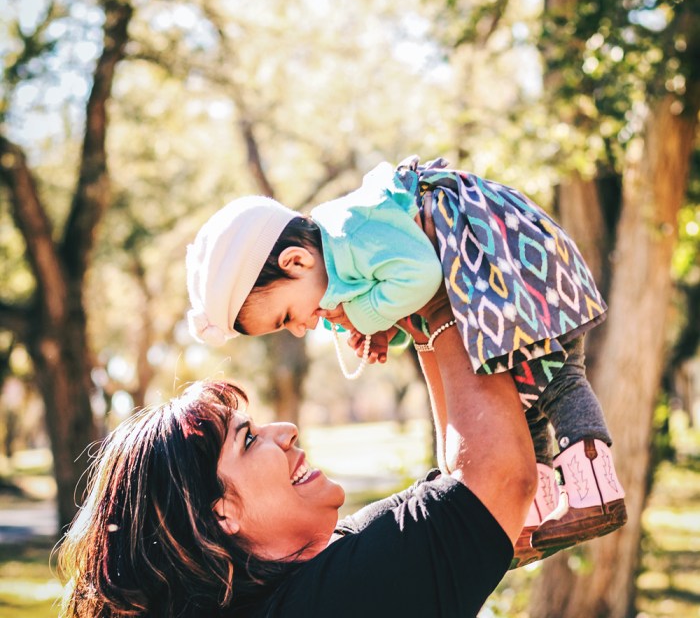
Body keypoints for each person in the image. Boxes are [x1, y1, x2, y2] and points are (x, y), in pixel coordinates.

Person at [59, 290, 609, 618]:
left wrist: (420, 323)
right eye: (248, 440)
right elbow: (497, 477)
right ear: (221, 514)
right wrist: (442, 299)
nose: (285, 431)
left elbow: (464, 490)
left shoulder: (292, 616)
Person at [186, 156, 626, 562]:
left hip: (503, 259)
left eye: (286, 317)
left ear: (297, 260)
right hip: (485, 279)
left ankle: (597, 494)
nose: (302, 328)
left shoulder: (350, 229)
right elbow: (409, 300)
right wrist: (383, 331)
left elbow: (422, 276)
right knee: (525, 404)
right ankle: (531, 518)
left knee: (555, 378)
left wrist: (366, 315)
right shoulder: (343, 257)